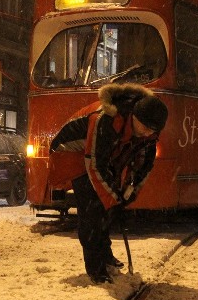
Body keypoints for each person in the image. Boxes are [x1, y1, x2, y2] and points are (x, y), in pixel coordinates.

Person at [50, 83, 168, 284]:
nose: (147, 133)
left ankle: (106, 256)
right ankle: (96, 269)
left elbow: (144, 166)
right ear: (133, 116)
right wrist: (113, 200)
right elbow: (95, 164)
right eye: (144, 127)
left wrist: (129, 192)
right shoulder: (105, 119)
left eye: (152, 130)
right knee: (92, 208)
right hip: (71, 155)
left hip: (101, 155)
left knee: (108, 206)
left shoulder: (147, 130)